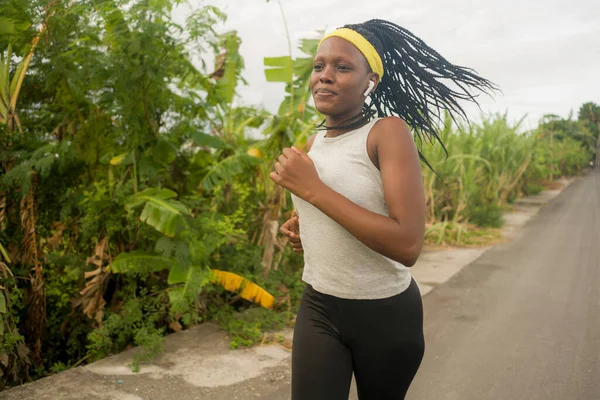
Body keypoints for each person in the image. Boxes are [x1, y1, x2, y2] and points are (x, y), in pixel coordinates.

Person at [269, 19, 496, 400]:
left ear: (370, 82)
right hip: (319, 305)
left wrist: (313, 189)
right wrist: (303, 226)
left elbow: (407, 244)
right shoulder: (315, 142)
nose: (325, 76)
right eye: (319, 66)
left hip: (385, 316)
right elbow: (342, 208)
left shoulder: (386, 132)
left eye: (342, 67)